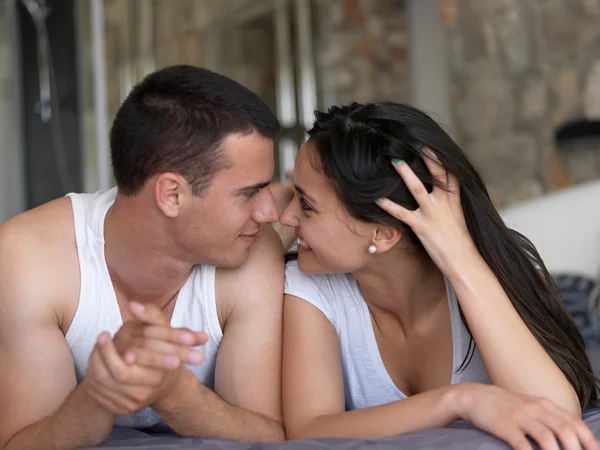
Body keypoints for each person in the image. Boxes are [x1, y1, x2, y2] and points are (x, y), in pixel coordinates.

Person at [279, 102, 600, 450]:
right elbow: (308, 428)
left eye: (306, 205)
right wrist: (459, 400)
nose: (285, 217)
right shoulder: (310, 284)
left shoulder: (502, 273)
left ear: (383, 235)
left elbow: (555, 412)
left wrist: (459, 257)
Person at [0, 65, 286, 449]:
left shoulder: (253, 249)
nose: (268, 213)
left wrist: (175, 392)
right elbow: (18, 443)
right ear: (171, 195)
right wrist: (97, 396)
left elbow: (269, 436)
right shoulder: (29, 258)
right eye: (250, 192)